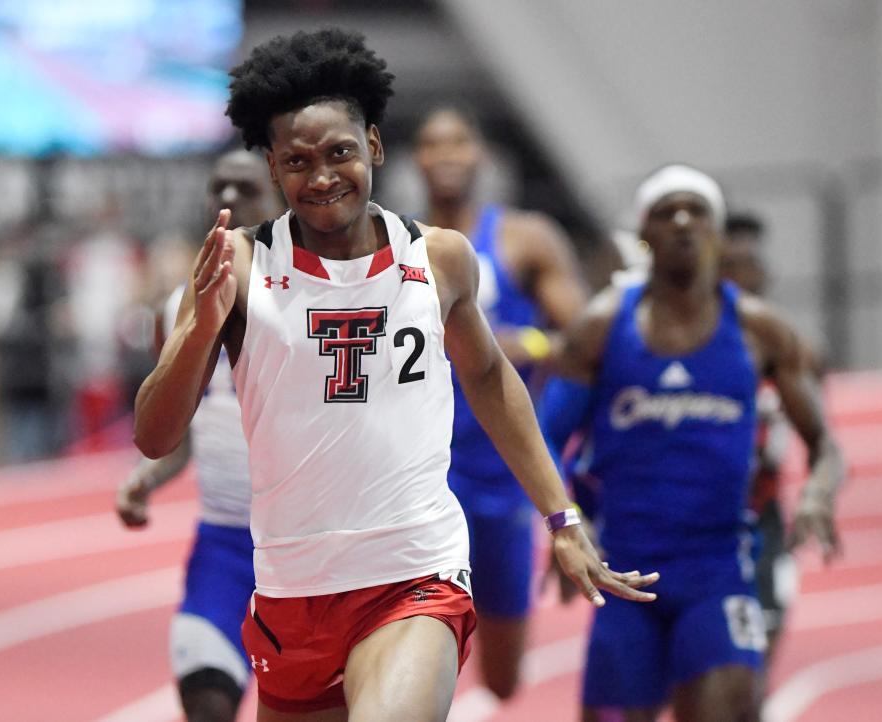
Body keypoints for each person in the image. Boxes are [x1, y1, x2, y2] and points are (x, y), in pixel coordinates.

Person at [132, 29, 658, 722]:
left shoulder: (438, 259)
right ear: (272, 167)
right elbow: (154, 434)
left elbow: (492, 381)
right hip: (293, 586)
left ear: (375, 147)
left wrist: (559, 515)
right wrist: (199, 328)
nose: (322, 176)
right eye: (297, 160)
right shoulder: (239, 266)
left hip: (412, 571)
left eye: (340, 152)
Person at [540, 164, 844, 722]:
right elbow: (540, 442)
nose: (682, 222)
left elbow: (824, 443)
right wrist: (567, 526)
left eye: (696, 211)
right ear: (643, 234)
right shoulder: (601, 328)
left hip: (719, 571)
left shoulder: (761, 331)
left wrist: (819, 495)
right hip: (623, 574)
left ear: (717, 232)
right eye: (665, 212)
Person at [412, 104, 589, 699]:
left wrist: (525, 341)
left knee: (504, 678)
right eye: (433, 144)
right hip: (426, 474)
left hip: (504, 475)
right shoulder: (400, 244)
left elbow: (588, 345)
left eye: (459, 141)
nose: (446, 156)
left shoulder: (525, 239)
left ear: (480, 154)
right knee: (416, 642)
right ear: (416, 158)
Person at [116, 149, 285, 722]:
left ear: (279, 194)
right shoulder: (177, 305)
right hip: (224, 544)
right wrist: (149, 475)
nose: (232, 199)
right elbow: (180, 426)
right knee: (206, 698)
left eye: (248, 187)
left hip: (307, 548)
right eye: (220, 187)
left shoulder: (318, 296)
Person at [720, 211, 805, 690]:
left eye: (750, 265)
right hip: (690, 522)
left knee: (759, 659)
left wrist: (817, 493)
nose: (744, 277)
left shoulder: (785, 345)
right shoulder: (677, 338)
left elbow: (821, 439)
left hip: (761, 514)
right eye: (731, 265)